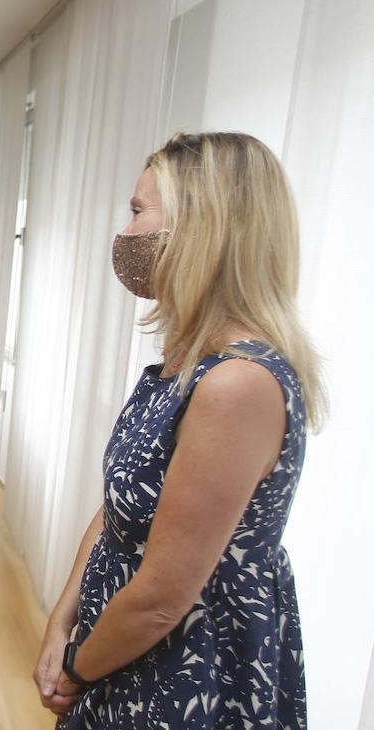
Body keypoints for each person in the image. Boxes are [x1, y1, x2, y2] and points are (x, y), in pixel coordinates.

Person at [33, 132, 325, 728]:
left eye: (140, 211)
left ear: (202, 228)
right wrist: (62, 621)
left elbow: (163, 599)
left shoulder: (237, 383)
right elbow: (122, 509)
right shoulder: (185, 363)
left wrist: (78, 670)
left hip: (183, 671)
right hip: (119, 650)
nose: (127, 232)